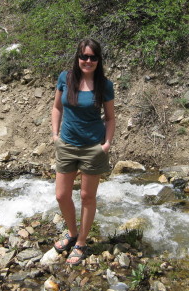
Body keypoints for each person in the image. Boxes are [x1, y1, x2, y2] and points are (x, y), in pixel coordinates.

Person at [51, 38, 115, 265]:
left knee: (87, 197)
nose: (88, 61)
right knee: (61, 195)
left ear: (98, 60)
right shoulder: (65, 78)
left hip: (92, 148)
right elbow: (57, 107)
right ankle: (72, 232)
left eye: (93, 57)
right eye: (84, 56)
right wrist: (55, 136)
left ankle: (82, 242)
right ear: (77, 57)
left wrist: (106, 144)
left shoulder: (104, 85)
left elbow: (109, 118)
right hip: (67, 144)